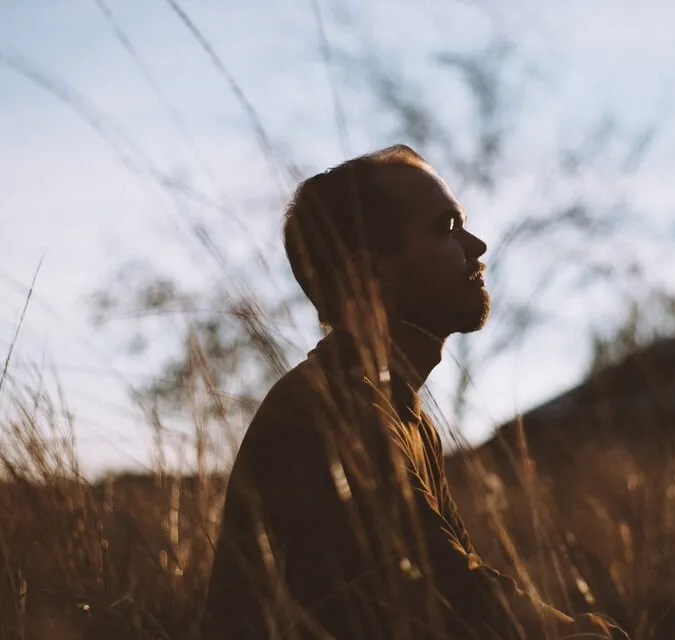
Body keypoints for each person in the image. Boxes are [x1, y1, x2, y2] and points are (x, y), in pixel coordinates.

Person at [201, 145, 627, 639]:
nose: (477, 246)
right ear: (368, 274)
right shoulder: (330, 412)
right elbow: (446, 596)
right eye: (448, 228)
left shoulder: (404, 413)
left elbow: (457, 575)